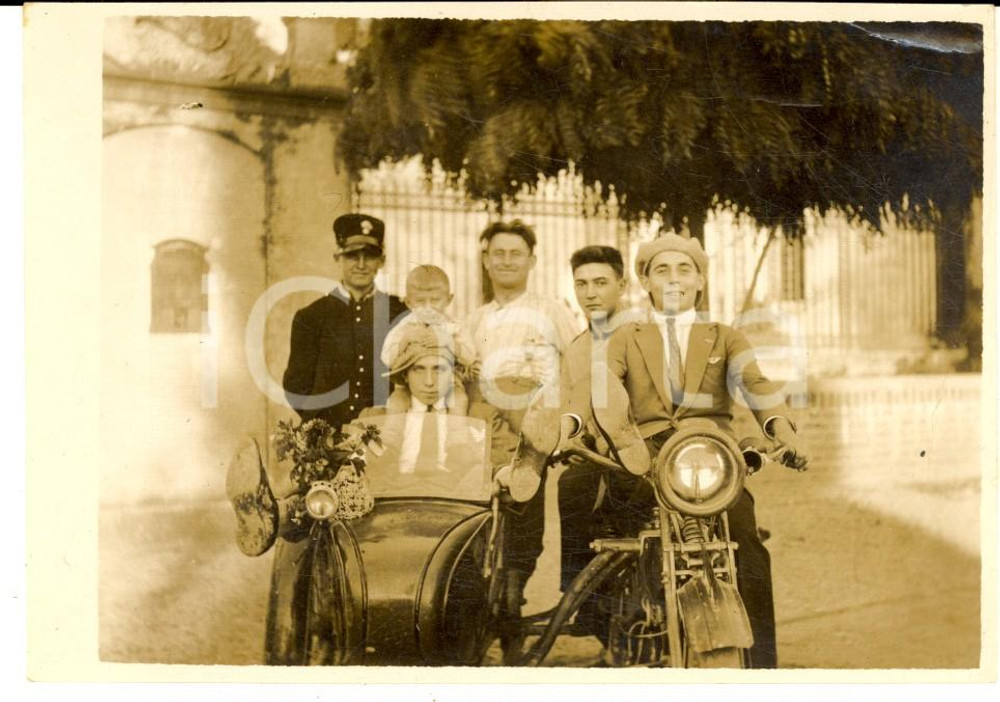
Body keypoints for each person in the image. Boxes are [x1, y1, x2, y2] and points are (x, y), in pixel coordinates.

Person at [592, 232, 810, 668]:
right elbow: (602, 383)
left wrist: (782, 429)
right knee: (612, 538)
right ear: (646, 282)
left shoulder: (724, 336)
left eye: (684, 270)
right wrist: (588, 424)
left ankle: (763, 669)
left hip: (712, 458)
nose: (673, 280)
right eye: (662, 271)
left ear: (699, 281)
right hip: (646, 455)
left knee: (746, 542)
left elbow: (756, 385)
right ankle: (617, 637)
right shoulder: (625, 337)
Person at [458, 219, 581, 608]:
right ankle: (483, 590)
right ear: (486, 261)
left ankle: (515, 590)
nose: (507, 261)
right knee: (482, 505)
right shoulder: (474, 320)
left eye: (516, 254)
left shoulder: (551, 310)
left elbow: (577, 361)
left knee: (525, 505)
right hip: (488, 427)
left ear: (532, 261)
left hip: (534, 425)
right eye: (498, 254)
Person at [555, 245, 647, 593]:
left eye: (600, 282)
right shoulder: (577, 348)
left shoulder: (644, 333)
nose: (590, 293)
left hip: (645, 447)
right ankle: (583, 598)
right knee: (572, 484)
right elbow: (571, 407)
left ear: (621, 285)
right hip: (599, 455)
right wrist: (571, 442)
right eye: (581, 284)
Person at [282, 213, 408, 430]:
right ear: (337, 257)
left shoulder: (399, 313)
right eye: (352, 256)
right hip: (329, 440)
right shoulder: (311, 317)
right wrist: (323, 426)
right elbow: (296, 386)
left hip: (386, 437)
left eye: (369, 256)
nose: (361, 265)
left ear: (381, 261)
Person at [379, 264, 474, 415]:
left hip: (449, 383)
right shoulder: (405, 327)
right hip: (408, 385)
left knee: (460, 400)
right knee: (395, 403)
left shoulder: (454, 326)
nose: (428, 308)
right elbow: (387, 358)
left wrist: (447, 341)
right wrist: (406, 339)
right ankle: (392, 436)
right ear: (408, 302)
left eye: (435, 300)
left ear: (449, 299)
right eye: (420, 301)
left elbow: (470, 356)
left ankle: (457, 435)